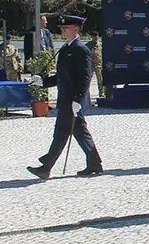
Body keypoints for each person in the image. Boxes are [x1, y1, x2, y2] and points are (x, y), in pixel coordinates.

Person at [27, 15, 103, 179]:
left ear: (76, 29)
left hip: (73, 100)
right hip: (65, 99)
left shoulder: (81, 49)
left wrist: (79, 99)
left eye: (66, 28)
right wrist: (43, 82)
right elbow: (61, 76)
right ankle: (94, 163)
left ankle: (46, 166)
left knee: (61, 132)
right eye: (62, 28)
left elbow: (85, 77)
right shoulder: (65, 49)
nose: (63, 31)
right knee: (78, 131)